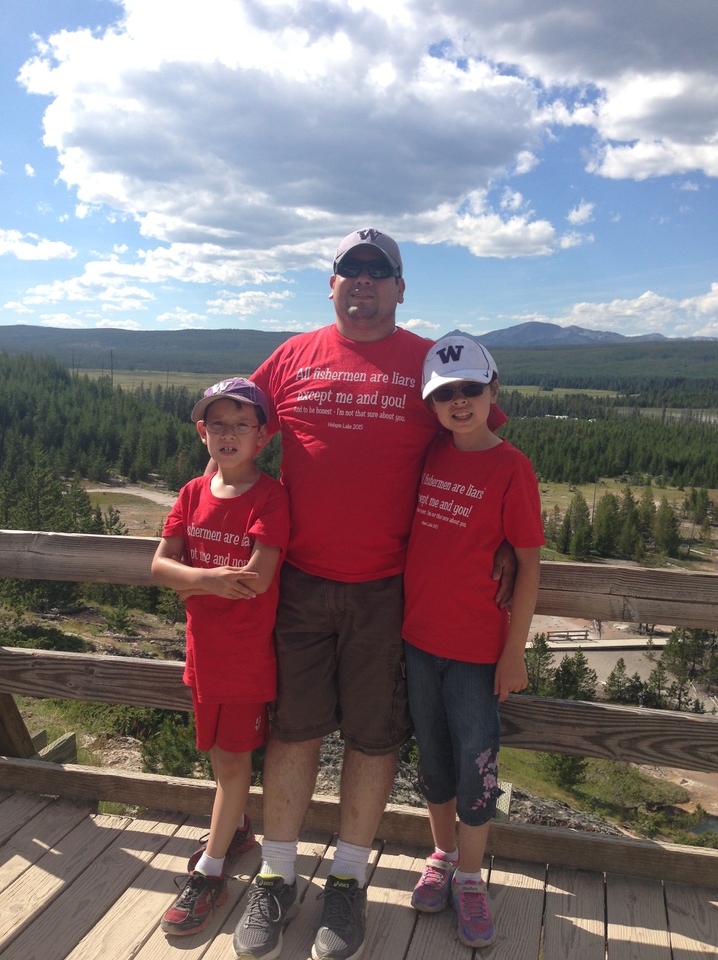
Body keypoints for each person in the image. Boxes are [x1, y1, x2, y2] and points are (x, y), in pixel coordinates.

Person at [220, 229, 515, 960]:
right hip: (299, 582)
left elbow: (480, 445)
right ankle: (277, 876)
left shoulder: (429, 362)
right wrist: (207, 516)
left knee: (375, 737)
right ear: (330, 284)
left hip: (389, 590)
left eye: (378, 270)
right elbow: (235, 435)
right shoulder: (292, 357)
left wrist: (505, 534)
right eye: (349, 269)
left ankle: (348, 881)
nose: (363, 280)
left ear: (400, 288)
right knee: (293, 729)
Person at [402, 336, 544, 949]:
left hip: (477, 651)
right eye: (445, 394)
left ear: (494, 391)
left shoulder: (512, 467)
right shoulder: (431, 451)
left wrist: (514, 651)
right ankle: (442, 854)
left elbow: (530, 563)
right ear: (431, 405)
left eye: (470, 389)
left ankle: (471, 877)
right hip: (417, 638)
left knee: (477, 764)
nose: (459, 402)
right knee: (434, 759)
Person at [153, 377, 289, 937]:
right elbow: (160, 566)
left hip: (245, 660)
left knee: (233, 765)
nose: (228, 434)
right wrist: (209, 580)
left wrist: (191, 581)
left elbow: (257, 579)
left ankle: (211, 873)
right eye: (217, 425)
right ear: (201, 432)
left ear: (262, 436)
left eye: (241, 425)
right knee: (218, 758)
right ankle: (235, 833)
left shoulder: (270, 497)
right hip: (202, 654)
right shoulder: (192, 493)